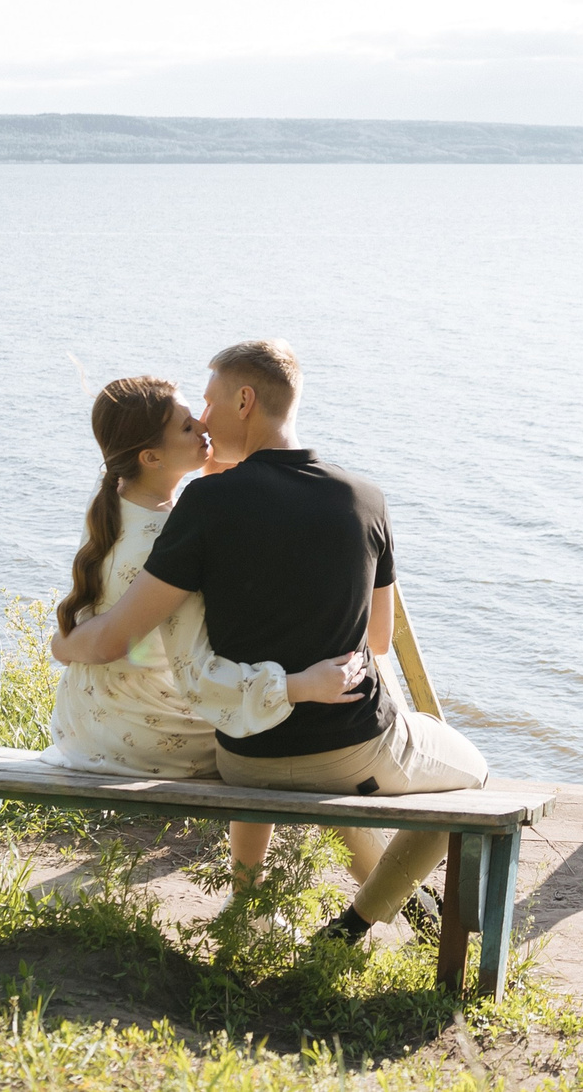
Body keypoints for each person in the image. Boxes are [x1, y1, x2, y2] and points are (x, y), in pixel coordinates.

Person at [54, 341, 489, 945]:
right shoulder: (365, 497)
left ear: (244, 400)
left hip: (242, 752)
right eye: (193, 414)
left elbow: (132, 629)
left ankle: (255, 909)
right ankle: (358, 923)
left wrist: (65, 642)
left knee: (320, 763)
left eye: (205, 404)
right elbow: (381, 637)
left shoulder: (201, 505)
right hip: (340, 742)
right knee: (475, 777)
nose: (203, 420)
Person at [39, 376, 383, 879]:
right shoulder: (166, 541)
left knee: (296, 736)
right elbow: (189, 665)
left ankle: (312, 897)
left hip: (94, 716)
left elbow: (238, 473)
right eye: (186, 425)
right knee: (298, 741)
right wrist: (296, 685)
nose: (203, 426)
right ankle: (377, 901)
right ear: (151, 458)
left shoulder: (123, 498)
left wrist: (62, 643)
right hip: (147, 732)